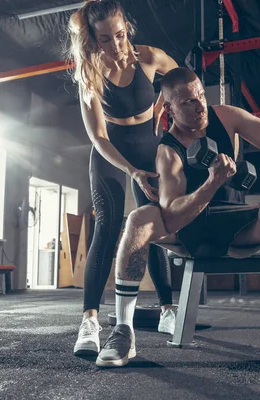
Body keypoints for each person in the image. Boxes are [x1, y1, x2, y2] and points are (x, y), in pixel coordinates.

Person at [95, 68, 260, 372]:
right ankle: (123, 331)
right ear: (169, 108)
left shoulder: (226, 117)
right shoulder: (168, 151)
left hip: (234, 223)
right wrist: (211, 183)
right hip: (187, 229)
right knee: (139, 219)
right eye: (187, 102)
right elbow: (172, 214)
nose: (199, 106)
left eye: (200, 95)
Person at [67, 0, 179, 357]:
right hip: (112, 152)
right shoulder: (91, 73)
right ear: (93, 40)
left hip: (148, 146)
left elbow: (182, 82)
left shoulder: (150, 57)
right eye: (105, 39)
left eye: (119, 35)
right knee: (108, 226)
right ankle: (89, 321)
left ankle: (167, 310)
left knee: (153, 224)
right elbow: (98, 137)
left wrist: (165, 107)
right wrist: (130, 169)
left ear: (126, 28)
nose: (115, 46)